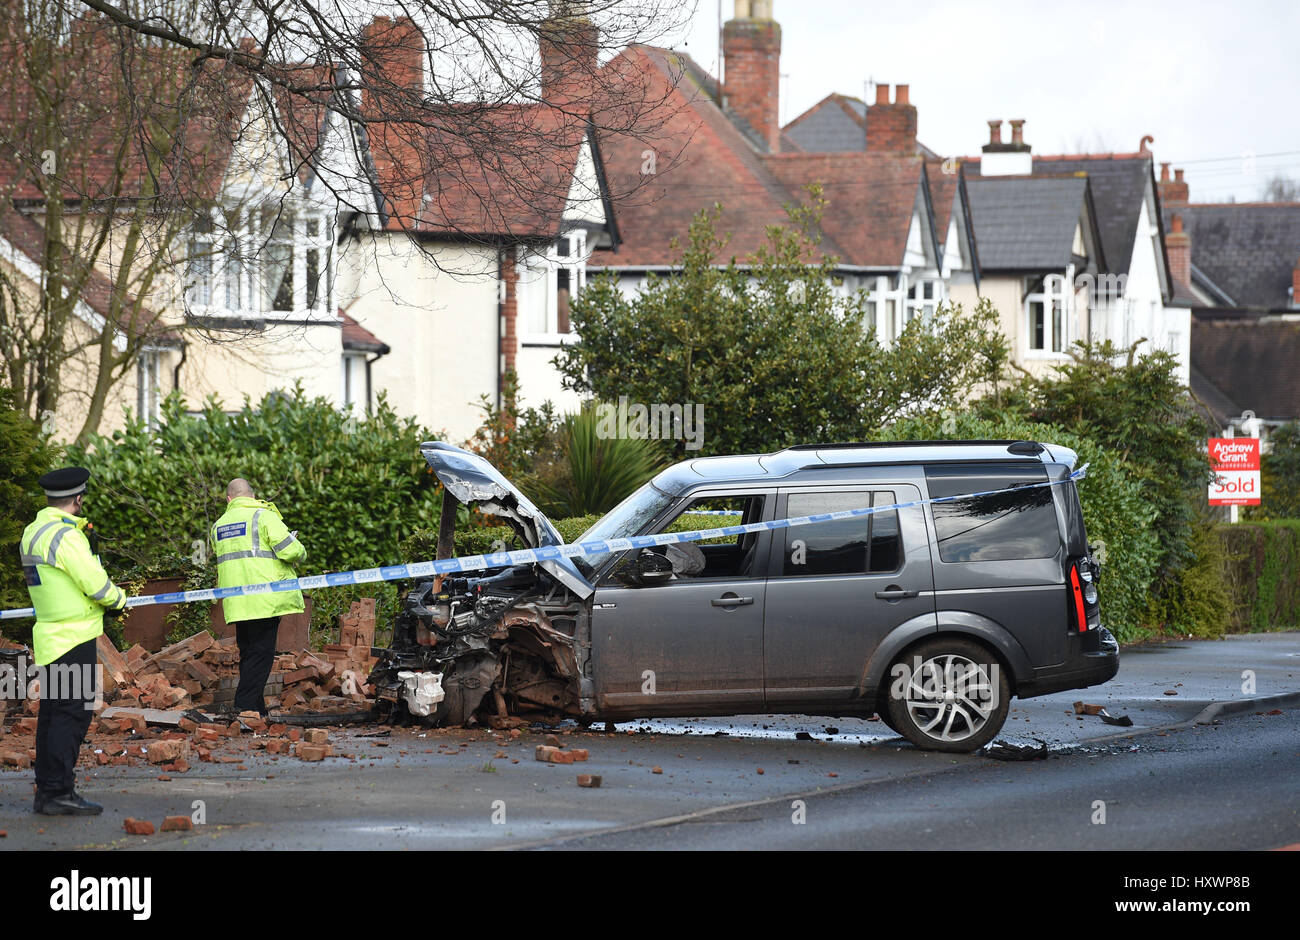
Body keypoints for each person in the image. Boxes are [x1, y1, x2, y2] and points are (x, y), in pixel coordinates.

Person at [20, 466, 127, 815]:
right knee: (71, 716)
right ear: (78, 498)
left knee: (54, 715)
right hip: (74, 636)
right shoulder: (65, 536)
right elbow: (95, 583)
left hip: (52, 636)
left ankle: (48, 791)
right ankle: (58, 793)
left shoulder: (34, 530)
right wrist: (119, 601)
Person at [211, 479, 306, 716]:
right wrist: (300, 548)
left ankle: (256, 708)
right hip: (264, 599)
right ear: (252, 496)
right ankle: (244, 706)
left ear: (229, 499)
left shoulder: (218, 526)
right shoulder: (263, 516)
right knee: (260, 656)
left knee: (249, 653)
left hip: (237, 602)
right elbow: (290, 550)